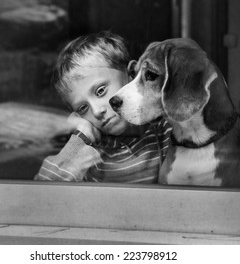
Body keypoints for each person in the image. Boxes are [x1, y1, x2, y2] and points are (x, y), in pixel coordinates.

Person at [34, 31, 172, 183]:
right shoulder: (91, 154)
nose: (97, 111)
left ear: (131, 75)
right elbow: (43, 190)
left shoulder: (162, 130)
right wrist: (81, 135)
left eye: (100, 91)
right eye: (83, 108)